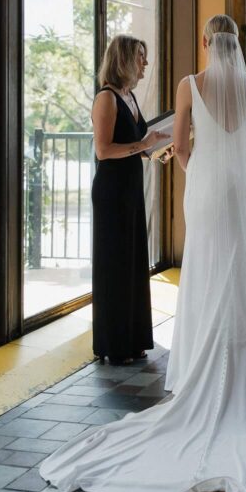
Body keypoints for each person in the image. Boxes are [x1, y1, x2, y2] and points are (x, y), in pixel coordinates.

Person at [40, 15, 246, 492]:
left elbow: (180, 145)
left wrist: (196, 169)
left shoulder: (190, 84)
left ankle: (204, 363)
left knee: (205, 272)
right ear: (235, 44)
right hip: (241, 188)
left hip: (205, 188)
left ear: (205, 42)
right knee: (243, 268)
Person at [90, 35, 169, 365]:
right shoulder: (107, 98)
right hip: (112, 193)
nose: (145, 63)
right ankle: (114, 344)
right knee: (115, 267)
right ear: (123, 59)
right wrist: (144, 145)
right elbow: (104, 151)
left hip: (131, 188)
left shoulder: (130, 97)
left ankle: (133, 339)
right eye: (140, 56)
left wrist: (157, 150)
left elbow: (136, 144)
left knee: (133, 265)